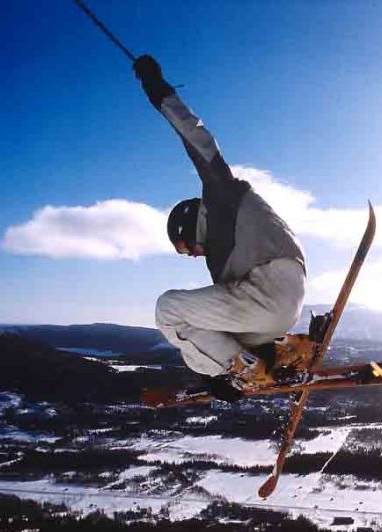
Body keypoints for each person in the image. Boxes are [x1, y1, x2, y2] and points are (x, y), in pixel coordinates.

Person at [134, 55, 312, 402]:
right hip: (282, 305)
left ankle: (242, 368)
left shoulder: (221, 199)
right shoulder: (237, 234)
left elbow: (199, 140)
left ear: (190, 225)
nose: (193, 255)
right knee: (206, 331)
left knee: (168, 310)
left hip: (267, 290)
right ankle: (278, 355)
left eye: (185, 247)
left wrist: (157, 89)